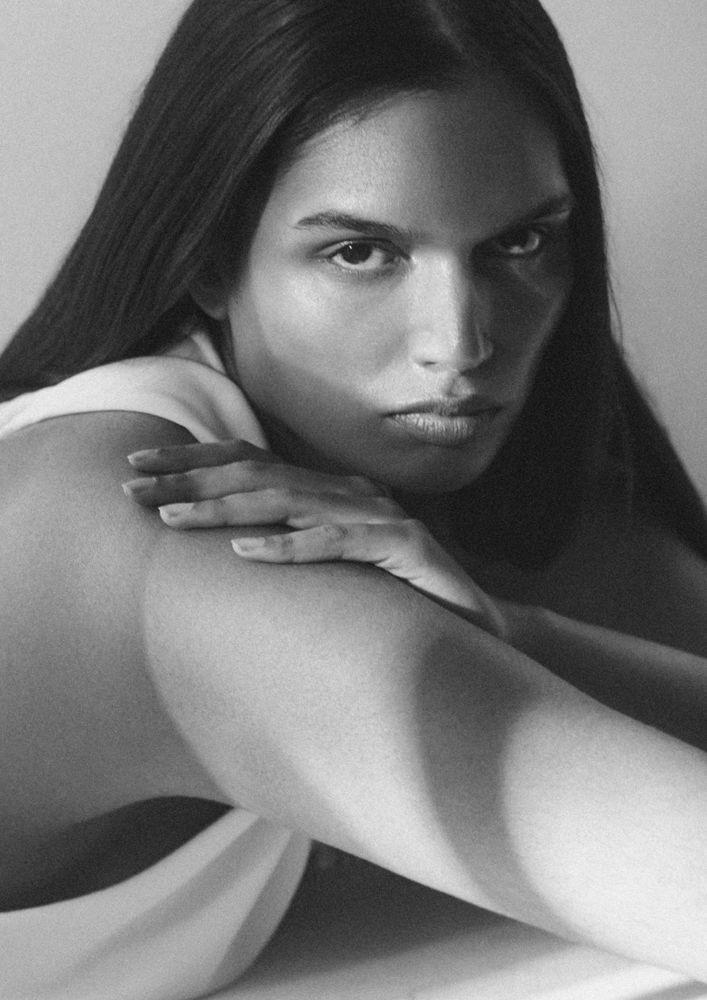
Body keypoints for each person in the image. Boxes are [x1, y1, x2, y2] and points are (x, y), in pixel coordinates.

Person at [1, 1, 706, 997]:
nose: (458, 344)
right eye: (360, 253)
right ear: (207, 260)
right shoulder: (161, 531)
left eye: (517, 244)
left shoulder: (390, 493)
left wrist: (515, 631)